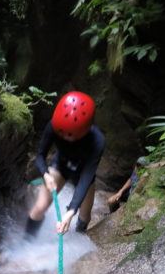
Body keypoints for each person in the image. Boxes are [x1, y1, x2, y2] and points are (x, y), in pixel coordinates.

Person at [25, 91, 105, 236]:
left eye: (68, 135)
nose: (63, 137)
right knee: (40, 207)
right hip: (61, 166)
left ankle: (78, 240)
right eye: (60, 133)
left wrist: (71, 211)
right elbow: (40, 156)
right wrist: (46, 175)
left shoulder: (98, 141)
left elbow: (86, 177)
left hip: (83, 173)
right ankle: (27, 241)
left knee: (84, 215)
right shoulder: (54, 125)